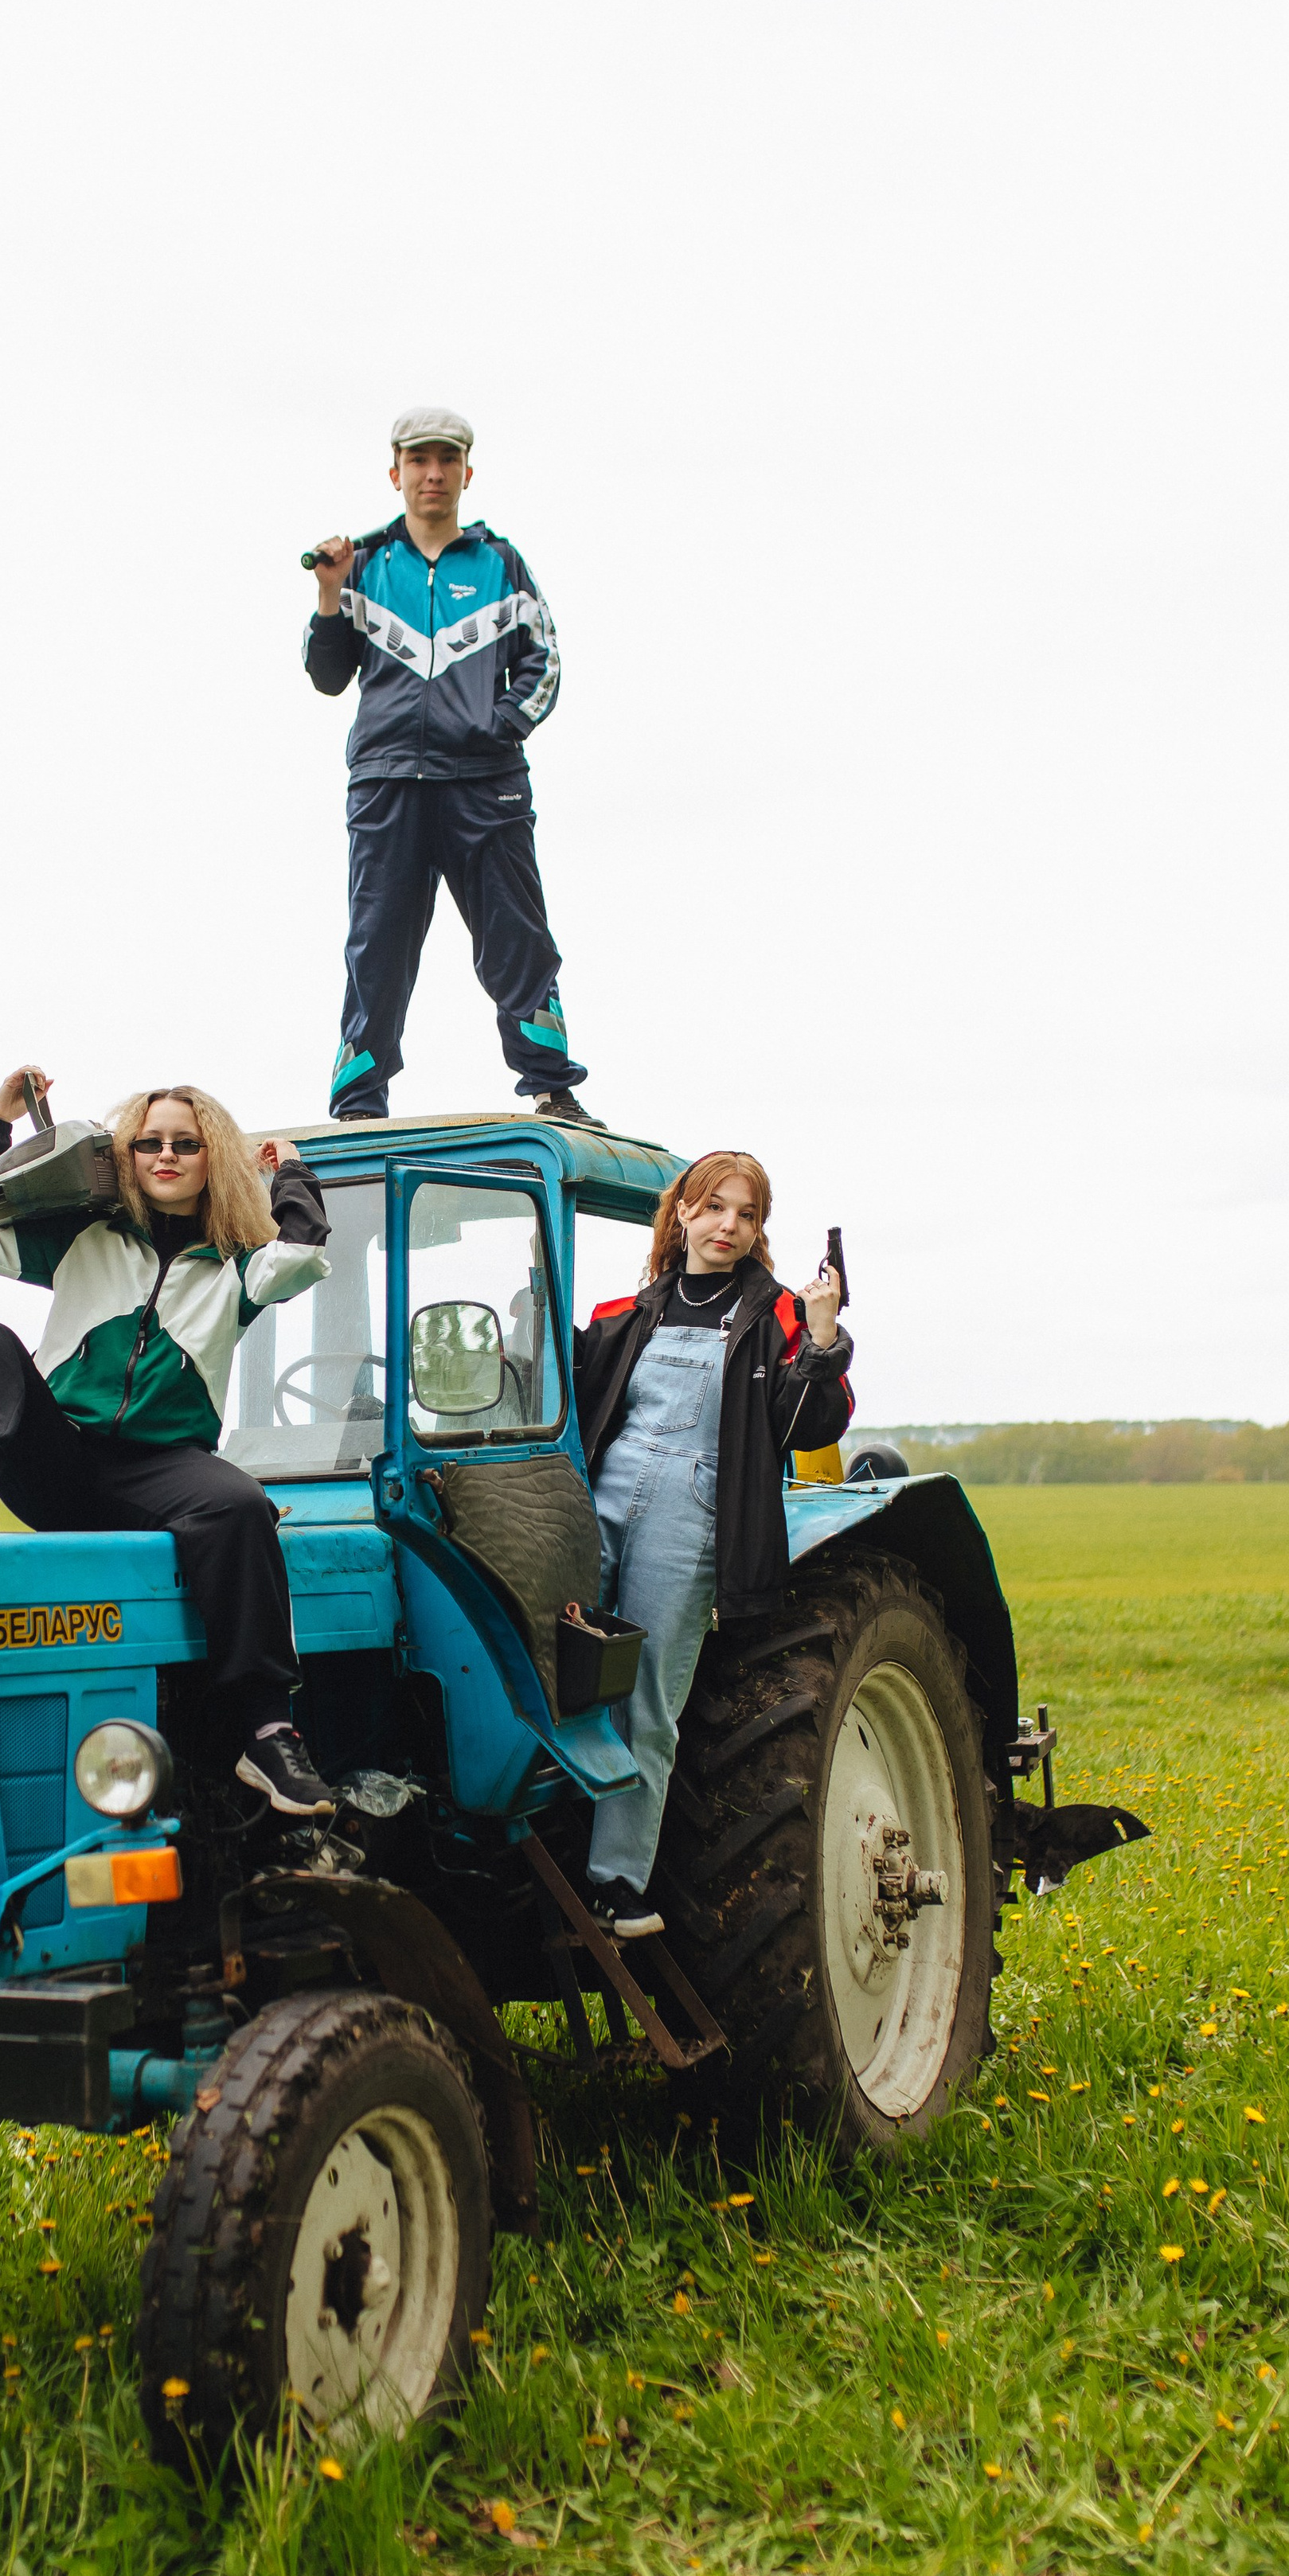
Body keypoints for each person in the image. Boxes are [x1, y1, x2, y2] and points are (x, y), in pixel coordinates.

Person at [0, 1069, 339, 1817]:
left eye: (186, 1144)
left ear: (213, 1159)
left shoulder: (236, 1267)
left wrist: (292, 1173)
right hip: (61, 1459)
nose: (166, 1155)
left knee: (242, 1504)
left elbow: (303, 1255)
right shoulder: (81, 1240)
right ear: (127, 1156)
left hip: (161, 1469)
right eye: (150, 1143)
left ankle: (268, 1732)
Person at [572, 1151, 855, 1934]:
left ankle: (614, 1882)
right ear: (683, 1214)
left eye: (747, 1214)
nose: (730, 1225)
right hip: (605, 1494)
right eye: (715, 1207)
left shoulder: (778, 1317)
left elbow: (813, 1424)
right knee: (557, 1663)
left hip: (691, 1507)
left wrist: (823, 1337)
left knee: (648, 1699)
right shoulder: (625, 1312)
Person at [303, 408, 596, 1128]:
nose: (432, 474)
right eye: (418, 460)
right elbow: (327, 676)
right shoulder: (362, 564)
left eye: (446, 460)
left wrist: (498, 727)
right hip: (387, 782)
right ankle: (359, 1107)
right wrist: (329, 592)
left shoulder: (501, 563)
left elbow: (546, 662)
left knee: (518, 938)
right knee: (377, 946)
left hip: (487, 786)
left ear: (467, 472)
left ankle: (551, 1089)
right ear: (395, 472)